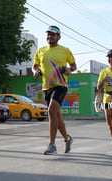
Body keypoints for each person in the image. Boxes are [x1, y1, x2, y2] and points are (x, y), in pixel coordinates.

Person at [32, 25, 77, 155]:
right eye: (48, 34)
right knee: (56, 116)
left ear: (58, 37)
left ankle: (52, 145)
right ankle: (67, 139)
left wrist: (69, 70)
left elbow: (73, 66)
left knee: (51, 110)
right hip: (47, 87)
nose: (50, 36)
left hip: (61, 85)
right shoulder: (41, 51)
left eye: (53, 34)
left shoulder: (65, 50)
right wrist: (35, 72)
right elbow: (34, 67)